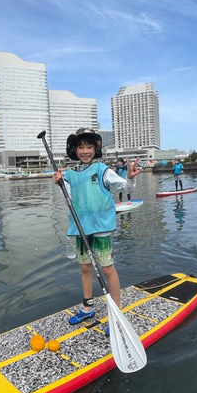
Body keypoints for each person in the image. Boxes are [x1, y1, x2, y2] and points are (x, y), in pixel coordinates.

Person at [53, 128, 140, 336]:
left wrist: (130, 178)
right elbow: (69, 193)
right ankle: (87, 308)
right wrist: (59, 181)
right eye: (81, 147)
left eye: (89, 146)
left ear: (96, 149)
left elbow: (126, 185)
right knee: (85, 268)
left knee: (108, 269)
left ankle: (116, 313)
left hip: (100, 229)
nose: (85, 151)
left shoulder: (102, 169)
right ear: (74, 150)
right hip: (80, 229)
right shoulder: (71, 174)